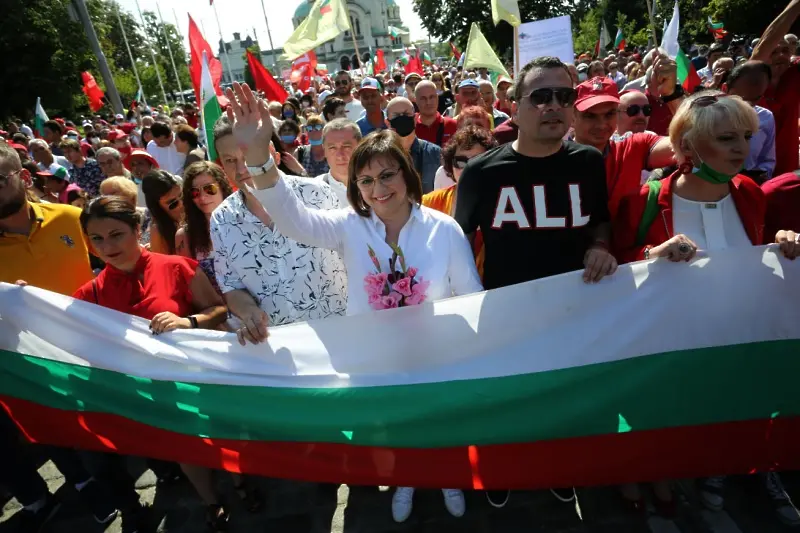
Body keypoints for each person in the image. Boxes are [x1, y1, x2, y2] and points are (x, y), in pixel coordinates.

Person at [228, 83, 479, 522]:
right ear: (356, 188)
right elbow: (292, 218)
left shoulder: (445, 229)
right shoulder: (348, 226)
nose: (378, 189)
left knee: (440, 425)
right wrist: (258, 156)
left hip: (436, 358)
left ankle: (448, 476)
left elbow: (472, 299)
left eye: (387, 175)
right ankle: (405, 480)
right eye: (366, 180)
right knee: (393, 429)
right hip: (376, 362)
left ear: (406, 174)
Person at [611, 92, 800, 524]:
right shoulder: (646, 200)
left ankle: (750, 471)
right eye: (726, 138)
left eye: (746, 136)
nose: (742, 148)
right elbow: (618, 270)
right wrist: (652, 251)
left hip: (738, 336)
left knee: (744, 405)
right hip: (674, 343)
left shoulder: (751, 192)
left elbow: (761, 250)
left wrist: (784, 242)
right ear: (690, 146)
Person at [455, 60, 616, 511]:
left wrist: (600, 245)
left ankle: (557, 469)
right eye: (540, 96)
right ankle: (499, 470)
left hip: (573, 309)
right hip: (505, 313)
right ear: (513, 106)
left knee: (564, 397)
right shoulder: (483, 173)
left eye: (564, 96)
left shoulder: (587, 161)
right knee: (503, 399)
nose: (553, 106)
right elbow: (457, 241)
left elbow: (599, 219)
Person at [0, 144, 146, 533]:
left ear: (24, 178)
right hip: (37, 362)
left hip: (98, 348)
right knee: (84, 443)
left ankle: (166, 473)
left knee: (128, 426)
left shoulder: (69, 218)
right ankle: (125, 504)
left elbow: (113, 263)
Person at [72, 196, 236, 529]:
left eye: (116, 234)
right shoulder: (89, 295)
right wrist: (23, 300)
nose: (107, 246)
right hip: (151, 393)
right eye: (97, 239)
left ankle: (242, 483)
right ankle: (211, 500)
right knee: (183, 446)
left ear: (137, 228)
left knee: (224, 434)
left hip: (199, 377)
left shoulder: (175, 267)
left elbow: (218, 309)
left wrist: (187, 322)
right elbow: (61, 331)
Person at [209, 111, 347, 346]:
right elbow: (231, 286)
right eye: (230, 160)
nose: (242, 168)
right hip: (281, 348)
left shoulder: (317, 194)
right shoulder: (221, 219)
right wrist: (249, 311)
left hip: (342, 336)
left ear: (270, 152)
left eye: (246, 156)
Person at [571, 77, 675, 216]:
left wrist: (673, 95)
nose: (601, 124)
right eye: (590, 116)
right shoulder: (553, 158)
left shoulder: (633, 147)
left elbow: (691, 143)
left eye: (609, 114)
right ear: (572, 118)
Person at [423, 126, 498, 278]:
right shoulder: (429, 203)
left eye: (477, 161)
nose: (468, 169)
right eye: (461, 162)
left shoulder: (503, 202)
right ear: (450, 164)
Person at [751, 0, 800, 175]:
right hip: (754, 171)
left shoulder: (794, 75)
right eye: (774, 51)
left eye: (786, 51)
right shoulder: (750, 79)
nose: (781, 55)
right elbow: (763, 47)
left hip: (788, 171)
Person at [175, 161, 232, 295]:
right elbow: (192, 286)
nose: (202, 197)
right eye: (195, 192)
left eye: (209, 189)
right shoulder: (184, 236)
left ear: (222, 187)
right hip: (216, 310)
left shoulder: (245, 222)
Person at [726, 61, 776, 181]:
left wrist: (760, 175)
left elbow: (768, 160)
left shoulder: (766, 117)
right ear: (726, 89)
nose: (747, 105)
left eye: (756, 98)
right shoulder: (708, 115)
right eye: (741, 98)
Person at [386, 97, 441, 194]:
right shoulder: (381, 156)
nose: (402, 118)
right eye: (396, 115)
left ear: (415, 118)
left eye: (407, 114)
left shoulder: (435, 154)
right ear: (387, 123)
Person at [318, 119, 362, 205]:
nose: (340, 155)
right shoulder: (313, 190)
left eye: (346, 147)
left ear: (360, 147)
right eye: (332, 148)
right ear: (324, 151)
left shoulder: (376, 187)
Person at [99, 176, 151, 245]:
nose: (107, 198)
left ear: (129, 194)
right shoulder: (102, 220)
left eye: (113, 194)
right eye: (104, 195)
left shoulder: (148, 215)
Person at [142, 169, 184, 255]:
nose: (181, 204)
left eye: (182, 196)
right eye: (173, 203)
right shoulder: (158, 231)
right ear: (158, 207)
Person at [414, 80, 457, 148]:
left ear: (437, 98)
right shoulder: (410, 128)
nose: (428, 102)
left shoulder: (453, 125)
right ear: (416, 101)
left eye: (431, 97)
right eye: (423, 98)